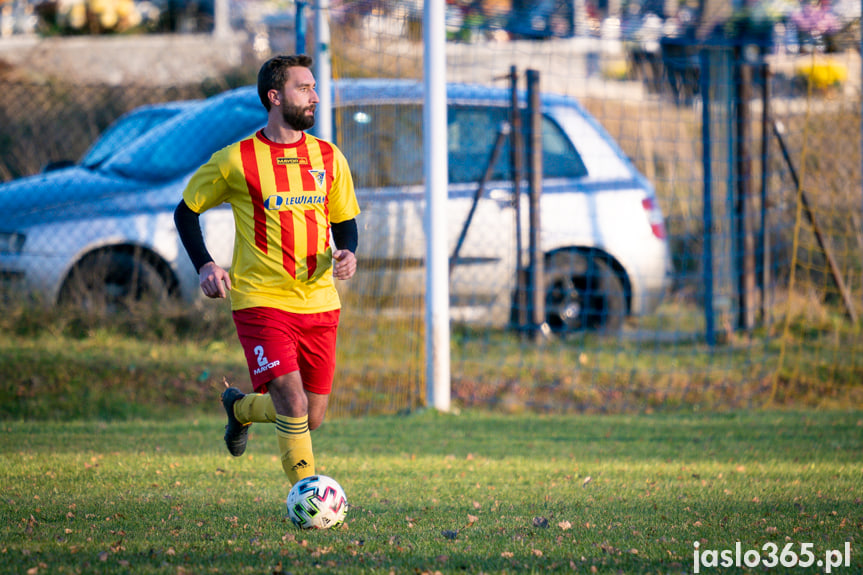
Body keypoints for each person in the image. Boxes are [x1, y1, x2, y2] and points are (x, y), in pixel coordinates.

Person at [173, 54, 360, 488]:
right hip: (261, 300)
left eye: (313, 87)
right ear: (274, 97)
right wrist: (205, 264)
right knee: (291, 401)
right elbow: (186, 213)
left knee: (310, 416)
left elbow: (344, 221)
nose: (314, 97)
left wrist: (347, 252)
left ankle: (239, 409)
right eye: (303, 88)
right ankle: (308, 498)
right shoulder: (235, 160)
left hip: (318, 302)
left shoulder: (328, 157)